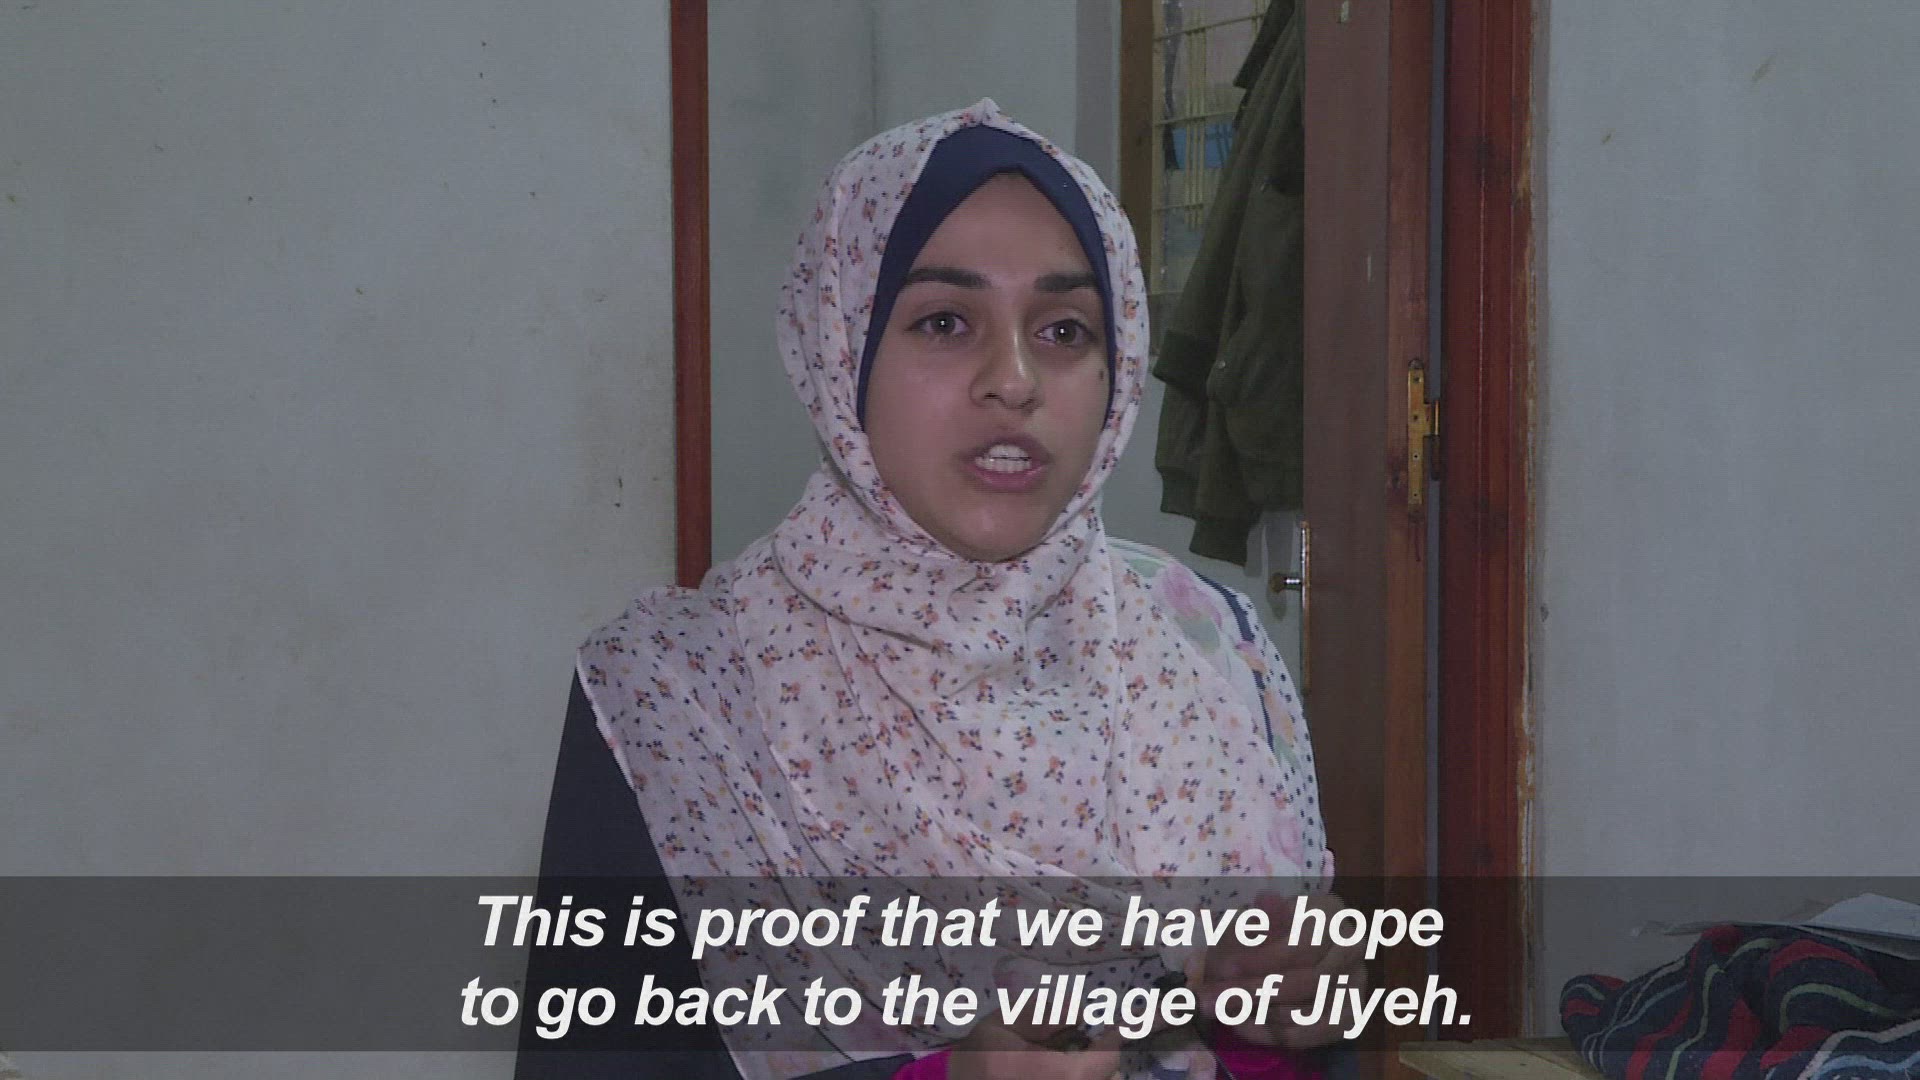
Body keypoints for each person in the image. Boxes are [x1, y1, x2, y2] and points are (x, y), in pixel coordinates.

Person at [518, 100, 1364, 1080]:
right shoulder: (681, 698)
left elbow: (1307, 1042)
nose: (1014, 380)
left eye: (1064, 329)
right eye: (946, 322)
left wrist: (1288, 1015)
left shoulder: (1208, 645)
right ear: (843, 350)